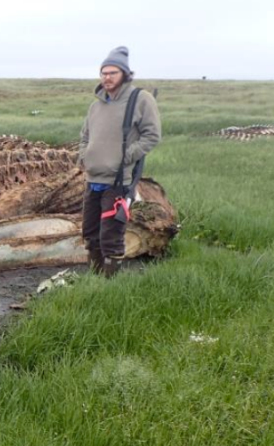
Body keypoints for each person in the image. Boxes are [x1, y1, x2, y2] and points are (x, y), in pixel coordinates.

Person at [78, 46, 161, 277]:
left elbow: (151, 135)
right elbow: (84, 135)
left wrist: (124, 157)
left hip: (118, 182)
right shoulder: (96, 105)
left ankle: (109, 284)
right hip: (93, 179)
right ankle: (94, 280)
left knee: (111, 237)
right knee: (91, 233)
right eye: (104, 73)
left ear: (125, 74)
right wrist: (85, 156)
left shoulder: (140, 99)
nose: (107, 77)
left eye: (112, 72)